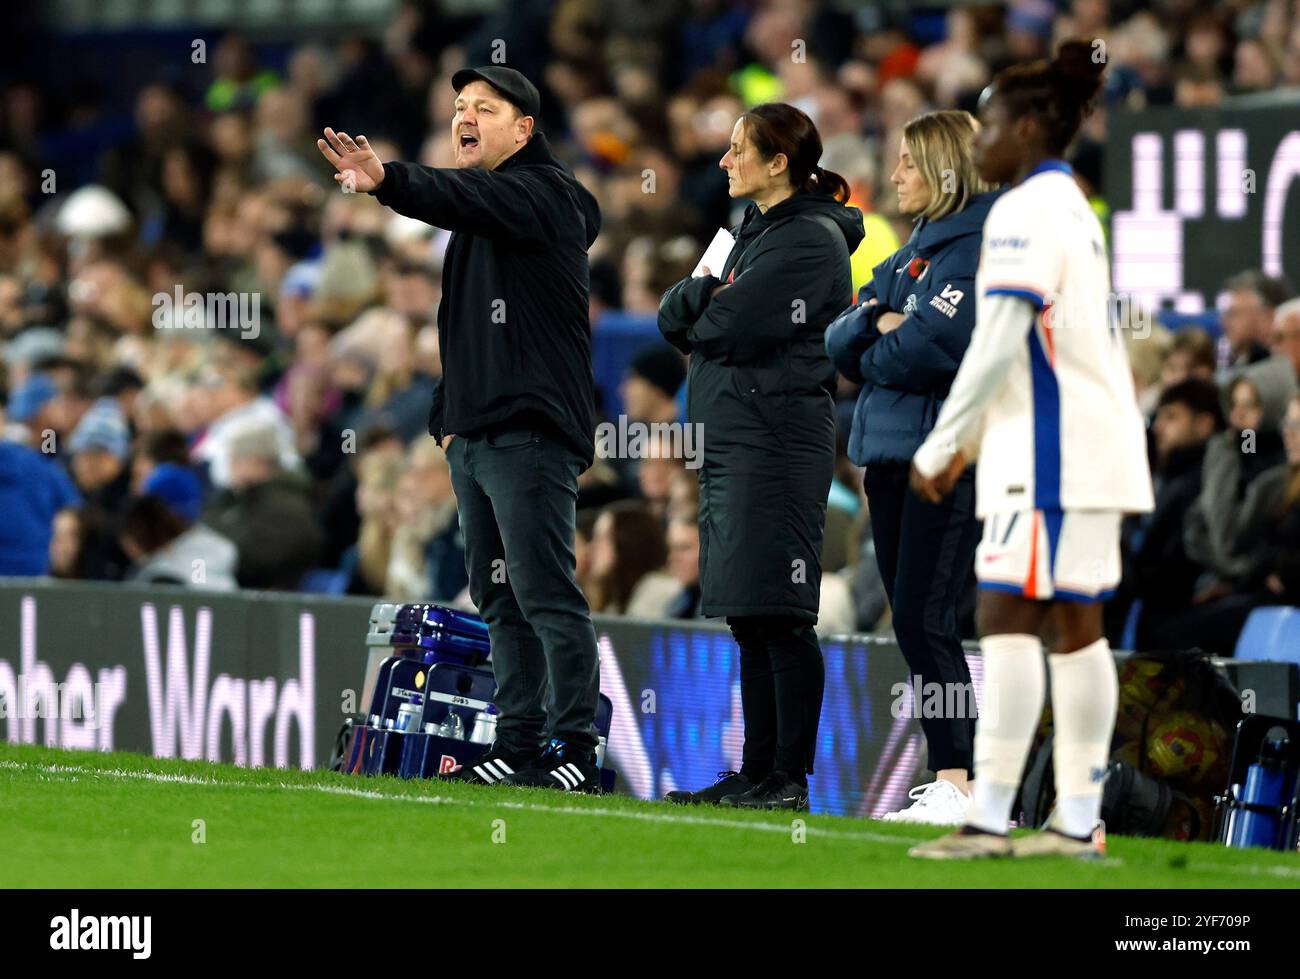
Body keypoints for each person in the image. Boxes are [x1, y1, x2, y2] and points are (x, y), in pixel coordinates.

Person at [317, 66, 605, 792]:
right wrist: (449, 421)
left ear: (525, 129)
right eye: (457, 108)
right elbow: (464, 326)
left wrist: (388, 181)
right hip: (477, 437)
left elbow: (458, 194)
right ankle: (517, 740)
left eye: (484, 107)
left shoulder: (546, 194)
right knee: (500, 597)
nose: (464, 117)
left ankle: (574, 746)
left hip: (530, 430)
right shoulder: (488, 211)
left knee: (545, 593)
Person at [908, 41, 1154, 859]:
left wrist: (946, 443)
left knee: (1005, 616)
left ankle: (988, 816)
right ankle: (1077, 821)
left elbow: (999, 337)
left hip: (1050, 455)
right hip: (1087, 448)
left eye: (990, 128)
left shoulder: (1022, 211)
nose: (978, 144)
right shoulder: (1069, 203)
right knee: (1075, 626)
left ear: (1030, 129)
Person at [658, 102, 863, 811]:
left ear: (779, 162)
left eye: (740, 149)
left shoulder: (807, 240)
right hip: (737, 438)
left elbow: (724, 324)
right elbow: (671, 314)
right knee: (750, 611)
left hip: (775, 441)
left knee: (781, 611)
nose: (725, 160)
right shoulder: (750, 230)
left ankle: (788, 778)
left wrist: (703, 307)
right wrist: (701, 304)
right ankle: (756, 770)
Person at [824, 109, 1000, 825]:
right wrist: (877, 323)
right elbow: (842, 332)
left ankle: (960, 778)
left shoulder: (977, 246)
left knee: (928, 619)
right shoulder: (915, 252)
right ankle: (955, 775)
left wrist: (881, 332)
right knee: (913, 622)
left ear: (944, 170)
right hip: (891, 458)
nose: (893, 174)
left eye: (906, 162)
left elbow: (935, 346)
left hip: (943, 457)